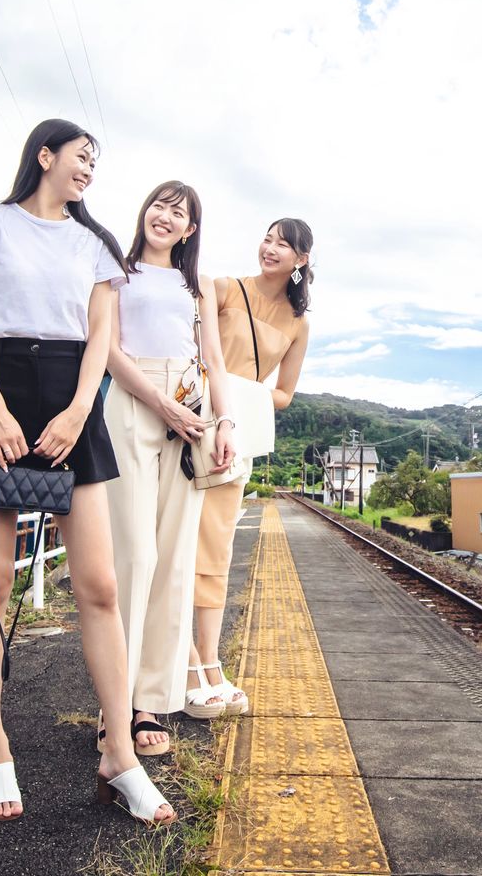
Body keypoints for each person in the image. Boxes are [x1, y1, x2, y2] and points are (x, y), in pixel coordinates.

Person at [0, 119, 175, 826]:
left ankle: (119, 755)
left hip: (72, 396)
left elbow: (102, 335)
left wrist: (78, 411)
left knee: (99, 585)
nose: (89, 171)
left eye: (96, 164)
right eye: (81, 158)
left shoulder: (96, 244)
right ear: (45, 156)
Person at [102, 181, 237, 757]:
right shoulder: (115, 268)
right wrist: (161, 404)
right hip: (133, 400)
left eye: (178, 212)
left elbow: (213, 361)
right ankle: (112, 708)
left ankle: (149, 702)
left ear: (190, 230)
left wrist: (224, 421)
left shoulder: (197, 284)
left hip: (192, 403)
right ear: (144, 213)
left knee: (175, 560)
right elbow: (105, 347)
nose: (165, 216)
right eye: (159, 204)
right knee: (133, 556)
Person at [185, 219, 314, 719]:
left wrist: (239, 398)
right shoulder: (222, 289)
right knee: (176, 541)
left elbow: (283, 394)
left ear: (302, 259)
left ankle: (210, 662)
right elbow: (193, 352)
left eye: (284, 244)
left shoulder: (299, 323)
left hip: (235, 438)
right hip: (192, 423)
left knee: (216, 548)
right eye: (268, 237)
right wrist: (218, 395)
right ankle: (190, 663)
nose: (271, 248)